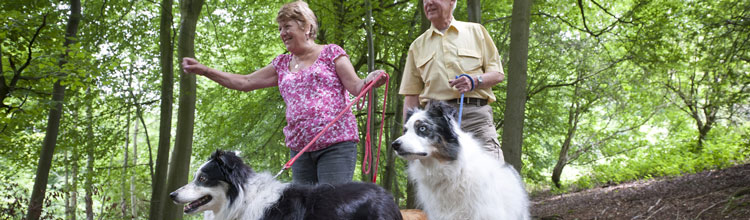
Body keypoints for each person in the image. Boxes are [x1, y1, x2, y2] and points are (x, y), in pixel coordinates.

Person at [182, 0, 386, 185]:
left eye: (287, 26)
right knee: (303, 211)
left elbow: (357, 86)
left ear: (306, 26)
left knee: (332, 208)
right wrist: (205, 70)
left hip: (335, 145)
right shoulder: (281, 64)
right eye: (280, 28)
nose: (282, 33)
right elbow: (245, 81)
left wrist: (371, 79)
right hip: (300, 150)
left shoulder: (331, 53)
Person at [399, 0, 505, 162]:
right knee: (437, 181)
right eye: (425, 0)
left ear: (452, 2)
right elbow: (411, 96)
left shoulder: (477, 32)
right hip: (433, 122)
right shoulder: (417, 46)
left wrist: (475, 81)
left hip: (475, 118)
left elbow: (497, 74)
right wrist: (408, 134)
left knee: (492, 175)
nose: (429, 3)